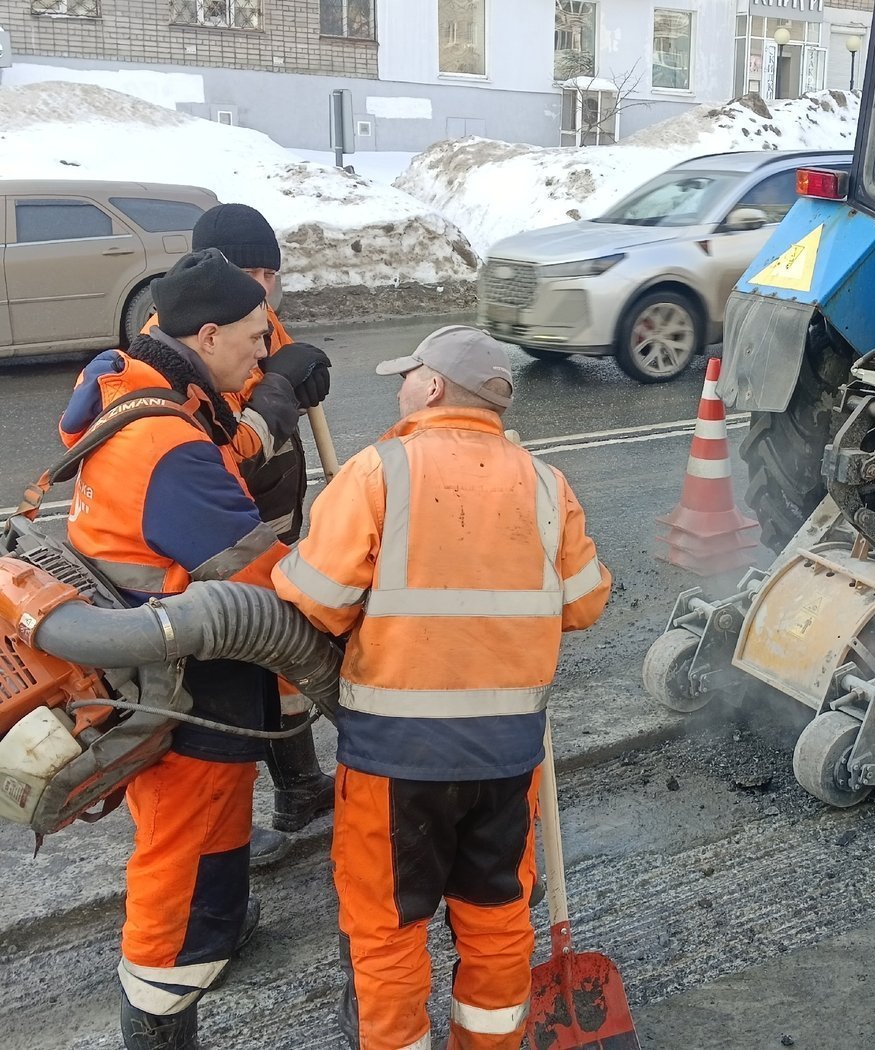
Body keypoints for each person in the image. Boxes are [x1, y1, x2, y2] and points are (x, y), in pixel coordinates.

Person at [273, 325, 611, 1050]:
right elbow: (584, 603)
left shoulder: (379, 472)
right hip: (505, 759)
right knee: (495, 922)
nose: (401, 386)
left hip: (396, 762)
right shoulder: (547, 484)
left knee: (388, 934)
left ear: (430, 387)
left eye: (408, 375)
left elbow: (315, 600)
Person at [61, 249, 290, 1049]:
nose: (264, 352)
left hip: (166, 662)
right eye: (258, 338)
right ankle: (157, 1016)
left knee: (218, 813)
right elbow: (263, 580)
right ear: (208, 332)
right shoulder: (169, 447)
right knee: (178, 844)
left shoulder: (136, 382)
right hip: (180, 676)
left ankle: (215, 930)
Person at [146, 202, 336, 866]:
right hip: (223, 536)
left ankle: (301, 788)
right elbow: (231, 444)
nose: (260, 285)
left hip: (273, 520)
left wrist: (296, 372)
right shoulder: (179, 349)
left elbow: (274, 375)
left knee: (277, 674)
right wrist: (279, 391)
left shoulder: (254, 318)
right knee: (243, 674)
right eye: (247, 271)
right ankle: (220, 831)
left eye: (268, 272)